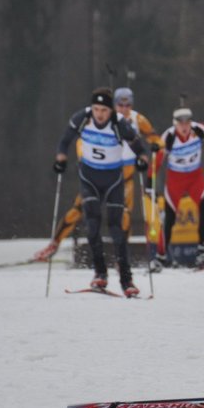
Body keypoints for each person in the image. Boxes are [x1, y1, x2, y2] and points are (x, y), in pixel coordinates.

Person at [32, 87, 161, 262]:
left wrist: (155, 146)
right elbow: (81, 140)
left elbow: (154, 138)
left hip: (125, 178)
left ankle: (120, 257)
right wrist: (80, 159)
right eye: (120, 104)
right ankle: (53, 245)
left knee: (123, 217)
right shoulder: (102, 118)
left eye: (127, 104)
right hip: (99, 173)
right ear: (114, 104)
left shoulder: (137, 119)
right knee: (77, 211)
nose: (124, 108)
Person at [53, 87, 150, 297]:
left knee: (117, 229)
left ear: (110, 111)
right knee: (93, 225)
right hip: (89, 179)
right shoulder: (83, 117)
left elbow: (139, 146)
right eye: (96, 109)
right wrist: (61, 158)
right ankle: (100, 273)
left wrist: (142, 160)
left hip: (114, 181)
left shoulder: (118, 124)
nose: (99, 114)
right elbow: (65, 140)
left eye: (103, 110)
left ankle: (126, 280)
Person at [154, 107, 204, 269]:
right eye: (180, 124)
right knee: (169, 217)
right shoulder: (168, 137)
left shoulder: (199, 130)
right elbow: (157, 161)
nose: (184, 127)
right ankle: (160, 256)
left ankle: (202, 252)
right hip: (175, 179)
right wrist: (149, 181)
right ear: (175, 124)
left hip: (195, 177)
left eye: (187, 123)